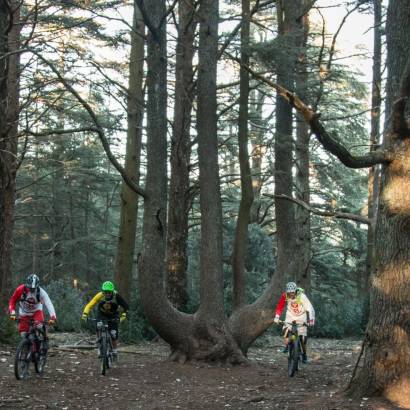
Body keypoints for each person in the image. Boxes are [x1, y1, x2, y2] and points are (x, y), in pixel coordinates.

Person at [81, 281, 129, 356]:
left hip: (113, 315)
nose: (107, 294)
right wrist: (85, 314)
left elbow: (126, 306)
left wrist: (123, 315)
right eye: (105, 292)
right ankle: (99, 342)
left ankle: (114, 350)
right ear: (103, 291)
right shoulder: (99, 295)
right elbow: (90, 305)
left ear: (112, 291)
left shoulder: (116, 296)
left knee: (113, 333)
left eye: (109, 292)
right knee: (98, 325)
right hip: (102, 314)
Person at [273, 281, 315, 363]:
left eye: (292, 292)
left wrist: (311, 320)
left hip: (301, 316)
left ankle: (304, 355)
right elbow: (280, 306)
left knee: (303, 338)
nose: (291, 295)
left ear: (295, 291)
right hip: (290, 315)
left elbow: (310, 308)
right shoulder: (285, 296)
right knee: (286, 330)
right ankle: (288, 345)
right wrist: (277, 317)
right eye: (289, 293)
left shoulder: (302, 296)